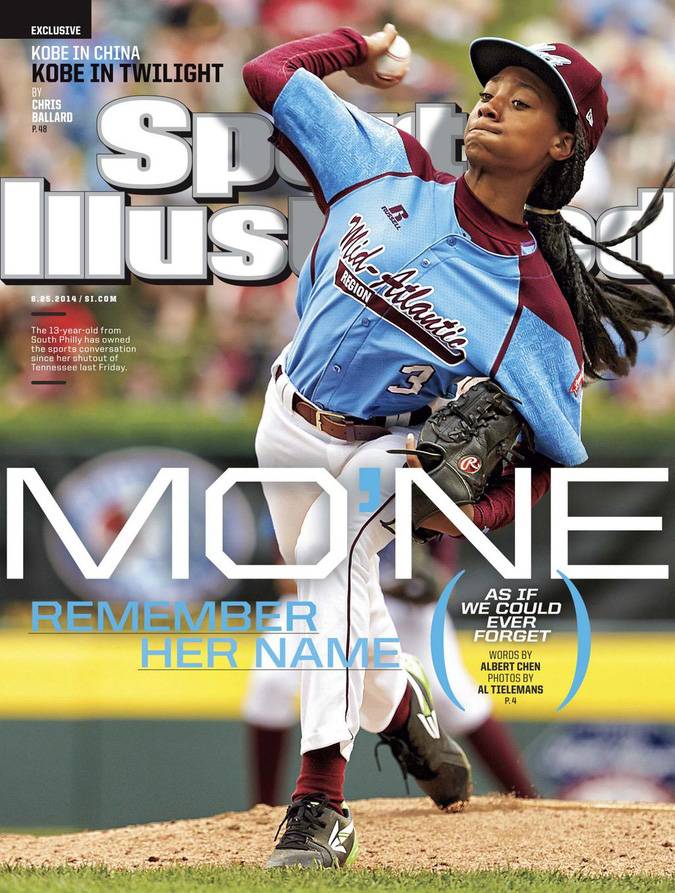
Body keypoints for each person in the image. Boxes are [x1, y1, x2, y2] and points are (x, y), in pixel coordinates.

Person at [243, 24, 674, 869]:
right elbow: (266, 72)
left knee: (332, 559)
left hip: (386, 455)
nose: (490, 105)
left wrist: (463, 504)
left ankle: (317, 805)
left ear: (559, 144)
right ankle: (402, 713)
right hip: (285, 424)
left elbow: (554, 457)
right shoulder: (383, 162)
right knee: (346, 631)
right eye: (489, 91)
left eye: (521, 101)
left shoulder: (533, 304)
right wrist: (355, 48)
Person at [244, 540, 537, 808]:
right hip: (323, 596)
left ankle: (529, 801)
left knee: (451, 697)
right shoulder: (308, 484)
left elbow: (441, 575)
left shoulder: (407, 482)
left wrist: (427, 576)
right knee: (270, 682)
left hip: (399, 602)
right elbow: (285, 579)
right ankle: (261, 812)